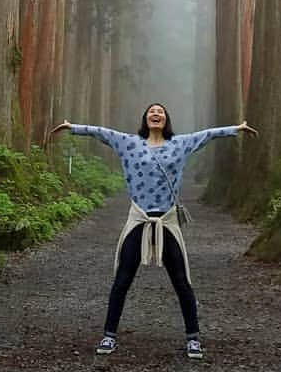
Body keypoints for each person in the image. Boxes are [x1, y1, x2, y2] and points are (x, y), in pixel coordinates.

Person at [50, 104, 258, 361]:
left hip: (168, 220)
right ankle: (109, 335)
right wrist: (73, 128)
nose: (156, 114)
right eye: (152, 112)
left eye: (160, 112)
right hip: (138, 218)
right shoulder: (129, 143)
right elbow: (102, 133)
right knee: (122, 279)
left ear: (166, 119)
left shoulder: (180, 144)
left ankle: (193, 338)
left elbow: (207, 135)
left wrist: (235, 129)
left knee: (182, 281)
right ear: (145, 119)